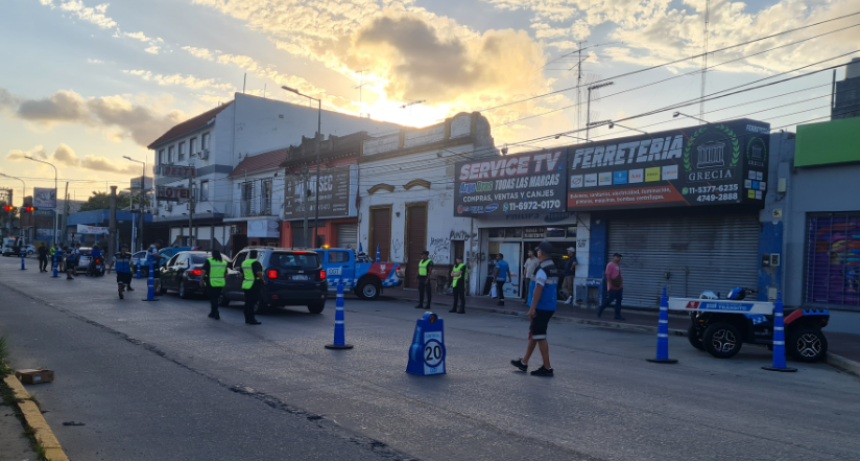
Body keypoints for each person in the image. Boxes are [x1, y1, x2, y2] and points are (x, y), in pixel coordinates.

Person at [511, 241, 559, 377]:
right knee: (535, 333)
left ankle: (547, 368)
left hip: (541, 307)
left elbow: (539, 288)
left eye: (538, 251)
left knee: (540, 335)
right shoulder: (552, 267)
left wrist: (532, 308)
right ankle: (524, 362)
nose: (537, 253)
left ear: (540, 253)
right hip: (549, 305)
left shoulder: (542, 268)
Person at [201, 249, 228, 320]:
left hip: (211, 282)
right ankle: (212, 312)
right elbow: (225, 273)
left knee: (212, 298)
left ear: (212, 254)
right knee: (216, 298)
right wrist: (224, 280)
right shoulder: (224, 262)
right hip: (220, 282)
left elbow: (203, 271)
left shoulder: (209, 261)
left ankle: (216, 312)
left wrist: (201, 279)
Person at [598, 253, 625, 320]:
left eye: (620, 257)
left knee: (619, 301)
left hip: (619, 287)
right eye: (617, 257)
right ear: (614, 257)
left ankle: (617, 315)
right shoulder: (610, 265)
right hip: (613, 287)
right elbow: (608, 275)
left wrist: (621, 285)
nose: (619, 258)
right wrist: (610, 285)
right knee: (610, 300)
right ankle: (601, 308)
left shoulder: (618, 265)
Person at [241, 250, 264, 325]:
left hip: (246, 283)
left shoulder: (244, 262)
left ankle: (247, 318)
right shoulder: (255, 263)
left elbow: (242, 273)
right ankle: (252, 319)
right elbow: (259, 273)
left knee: (247, 302)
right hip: (254, 284)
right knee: (253, 302)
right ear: (256, 255)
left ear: (249, 255)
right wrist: (263, 280)